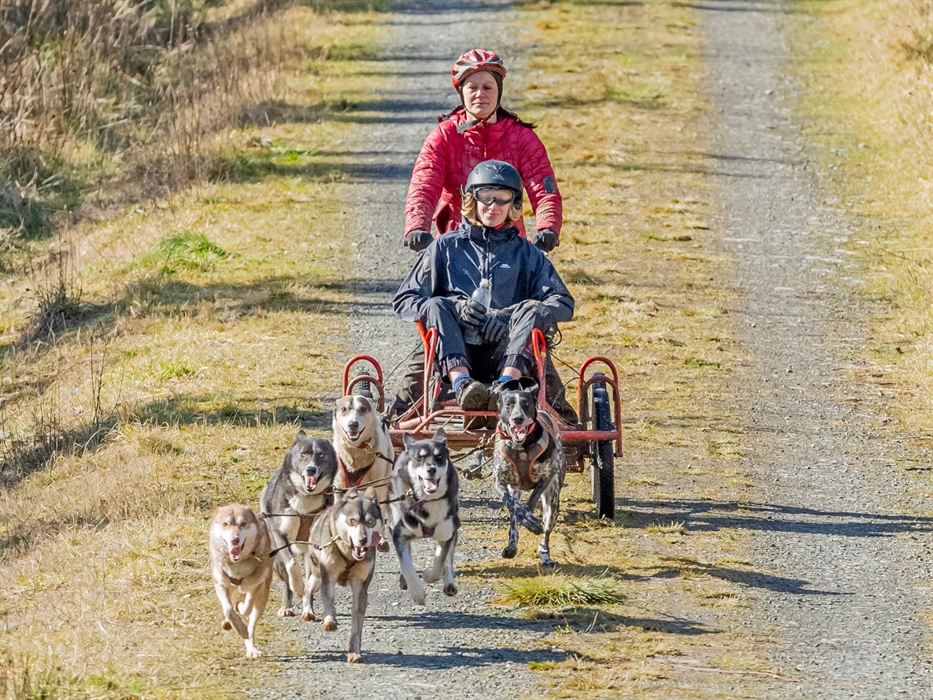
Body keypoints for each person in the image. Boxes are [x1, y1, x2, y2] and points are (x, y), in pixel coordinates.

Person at [393, 160, 573, 415]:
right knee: (436, 303)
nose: (493, 206)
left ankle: (506, 386)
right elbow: (404, 300)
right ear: (472, 200)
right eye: (486, 197)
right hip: (451, 352)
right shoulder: (444, 247)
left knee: (534, 309)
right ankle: (463, 384)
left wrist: (510, 316)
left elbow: (563, 304)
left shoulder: (527, 254)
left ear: (514, 204)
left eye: (502, 199)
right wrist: (455, 308)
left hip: (511, 353)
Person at [403, 49, 562, 255]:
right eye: (472, 87)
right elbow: (424, 185)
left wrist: (547, 228)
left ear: (499, 91)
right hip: (455, 243)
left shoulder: (522, 137)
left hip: (511, 243)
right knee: (419, 287)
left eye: (488, 87)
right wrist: (417, 227)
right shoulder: (444, 136)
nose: (480, 94)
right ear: (462, 92)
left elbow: (544, 189)